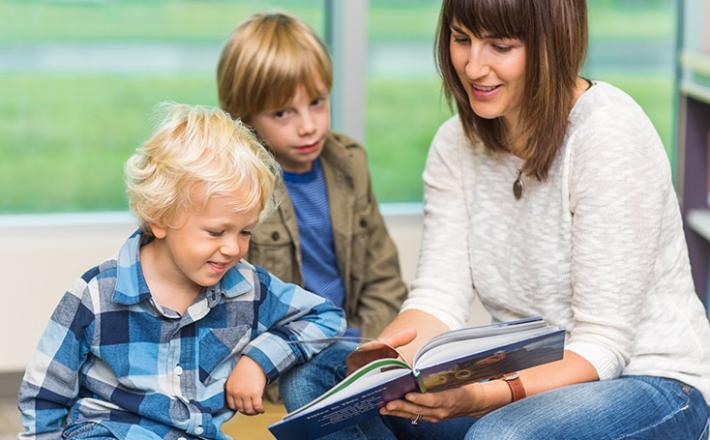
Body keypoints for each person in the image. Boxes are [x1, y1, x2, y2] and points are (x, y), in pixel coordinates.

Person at [283, 0, 710, 439]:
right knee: (316, 381)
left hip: (651, 385)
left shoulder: (608, 134)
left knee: (499, 436)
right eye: (462, 39)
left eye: (500, 46)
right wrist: (387, 366)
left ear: (552, 46)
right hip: (523, 386)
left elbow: (603, 346)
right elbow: (437, 300)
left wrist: (483, 396)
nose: (473, 67)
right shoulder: (454, 144)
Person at [16, 104, 345, 439]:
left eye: (245, 232)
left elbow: (325, 316)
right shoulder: (96, 295)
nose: (233, 248)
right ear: (159, 218)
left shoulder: (247, 287)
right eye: (216, 232)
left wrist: (257, 361)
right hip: (109, 431)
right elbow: (43, 398)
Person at [216, 12, 408, 405]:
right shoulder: (237, 186)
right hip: (280, 360)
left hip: (354, 345)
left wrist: (364, 353)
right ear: (245, 117)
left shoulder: (349, 164)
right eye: (282, 113)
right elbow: (227, 305)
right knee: (305, 385)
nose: (308, 126)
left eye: (317, 103)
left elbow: (383, 279)